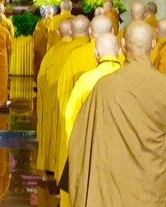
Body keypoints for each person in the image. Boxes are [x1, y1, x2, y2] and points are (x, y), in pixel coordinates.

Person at [68, 22, 166, 207]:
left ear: (123, 45)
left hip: (111, 185)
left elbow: (80, 140)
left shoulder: (104, 86)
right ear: (154, 44)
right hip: (152, 183)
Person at [55, 16, 113, 181]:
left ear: (90, 32)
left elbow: (64, 94)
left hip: (82, 132)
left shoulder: (75, 56)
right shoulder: (122, 61)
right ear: (113, 32)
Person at [62, 33, 123, 142]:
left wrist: (75, 148)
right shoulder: (129, 78)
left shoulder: (85, 80)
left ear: (95, 53)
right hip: (123, 146)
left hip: (93, 144)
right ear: (120, 51)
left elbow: (70, 116)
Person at [36, 18, 77, 176]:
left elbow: (42, 79)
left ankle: (52, 162)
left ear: (59, 33)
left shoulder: (53, 52)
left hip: (57, 103)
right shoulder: (87, 51)